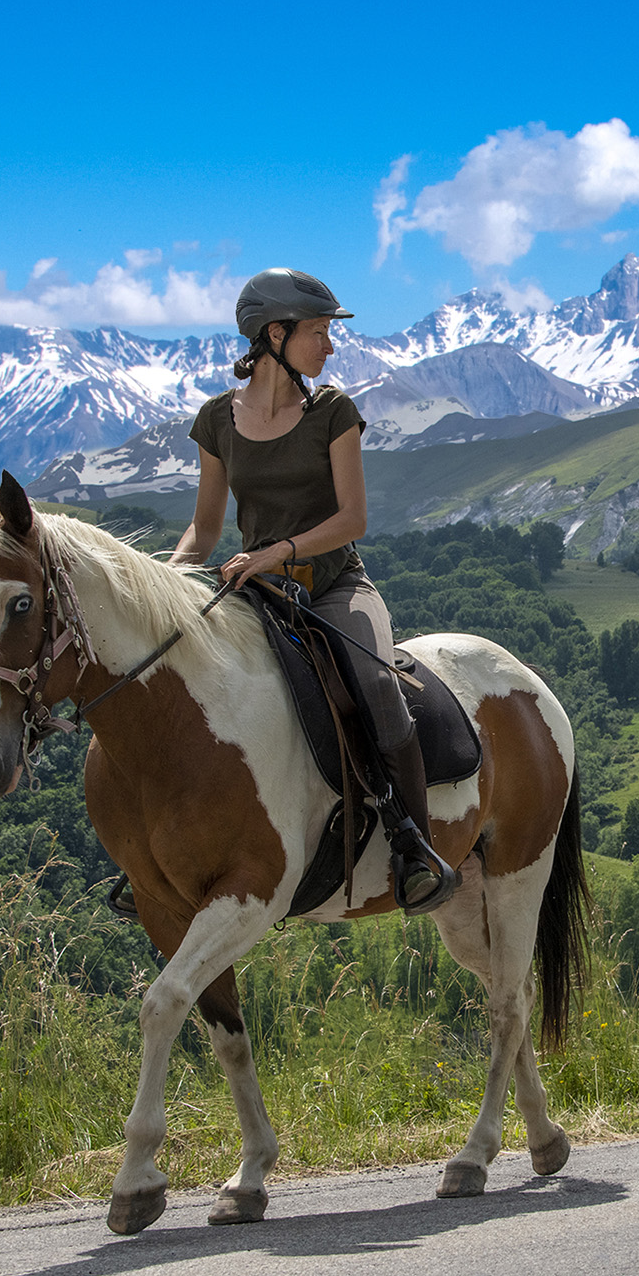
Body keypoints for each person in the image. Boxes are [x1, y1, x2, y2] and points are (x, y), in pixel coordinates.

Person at [168, 267, 456, 914]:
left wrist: (277, 550)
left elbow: (352, 519)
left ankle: (416, 846)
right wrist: (167, 577)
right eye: (319, 333)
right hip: (252, 594)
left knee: (379, 684)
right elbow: (206, 525)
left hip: (333, 587)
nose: (330, 347)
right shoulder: (216, 420)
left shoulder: (332, 412)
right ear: (276, 334)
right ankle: (163, 853)